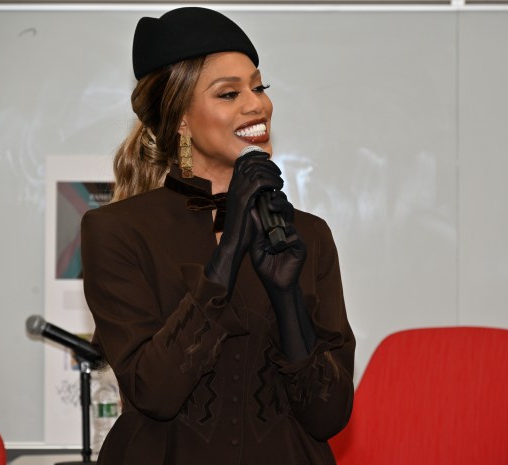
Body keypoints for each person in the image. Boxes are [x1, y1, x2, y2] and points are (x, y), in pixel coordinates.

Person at [81, 7, 355, 465]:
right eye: (229, 93)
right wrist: (227, 255)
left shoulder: (309, 234)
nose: (257, 104)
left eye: (259, 86)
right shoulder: (116, 231)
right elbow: (155, 393)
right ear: (180, 119)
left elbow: (329, 417)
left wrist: (286, 298)